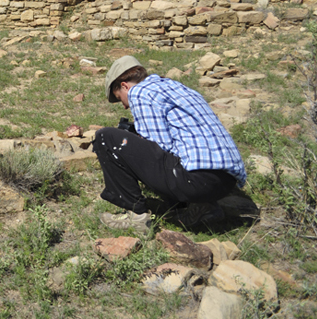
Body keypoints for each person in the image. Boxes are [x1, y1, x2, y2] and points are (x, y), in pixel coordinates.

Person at [93, 55, 247, 232]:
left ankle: (136, 216)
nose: (125, 107)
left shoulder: (140, 92)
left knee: (106, 137)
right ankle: (202, 206)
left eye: (120, 98)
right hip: (225, 183)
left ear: (124, 86)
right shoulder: (174, 86)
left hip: (195, 181)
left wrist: (134, 145)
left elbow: (161, 148)